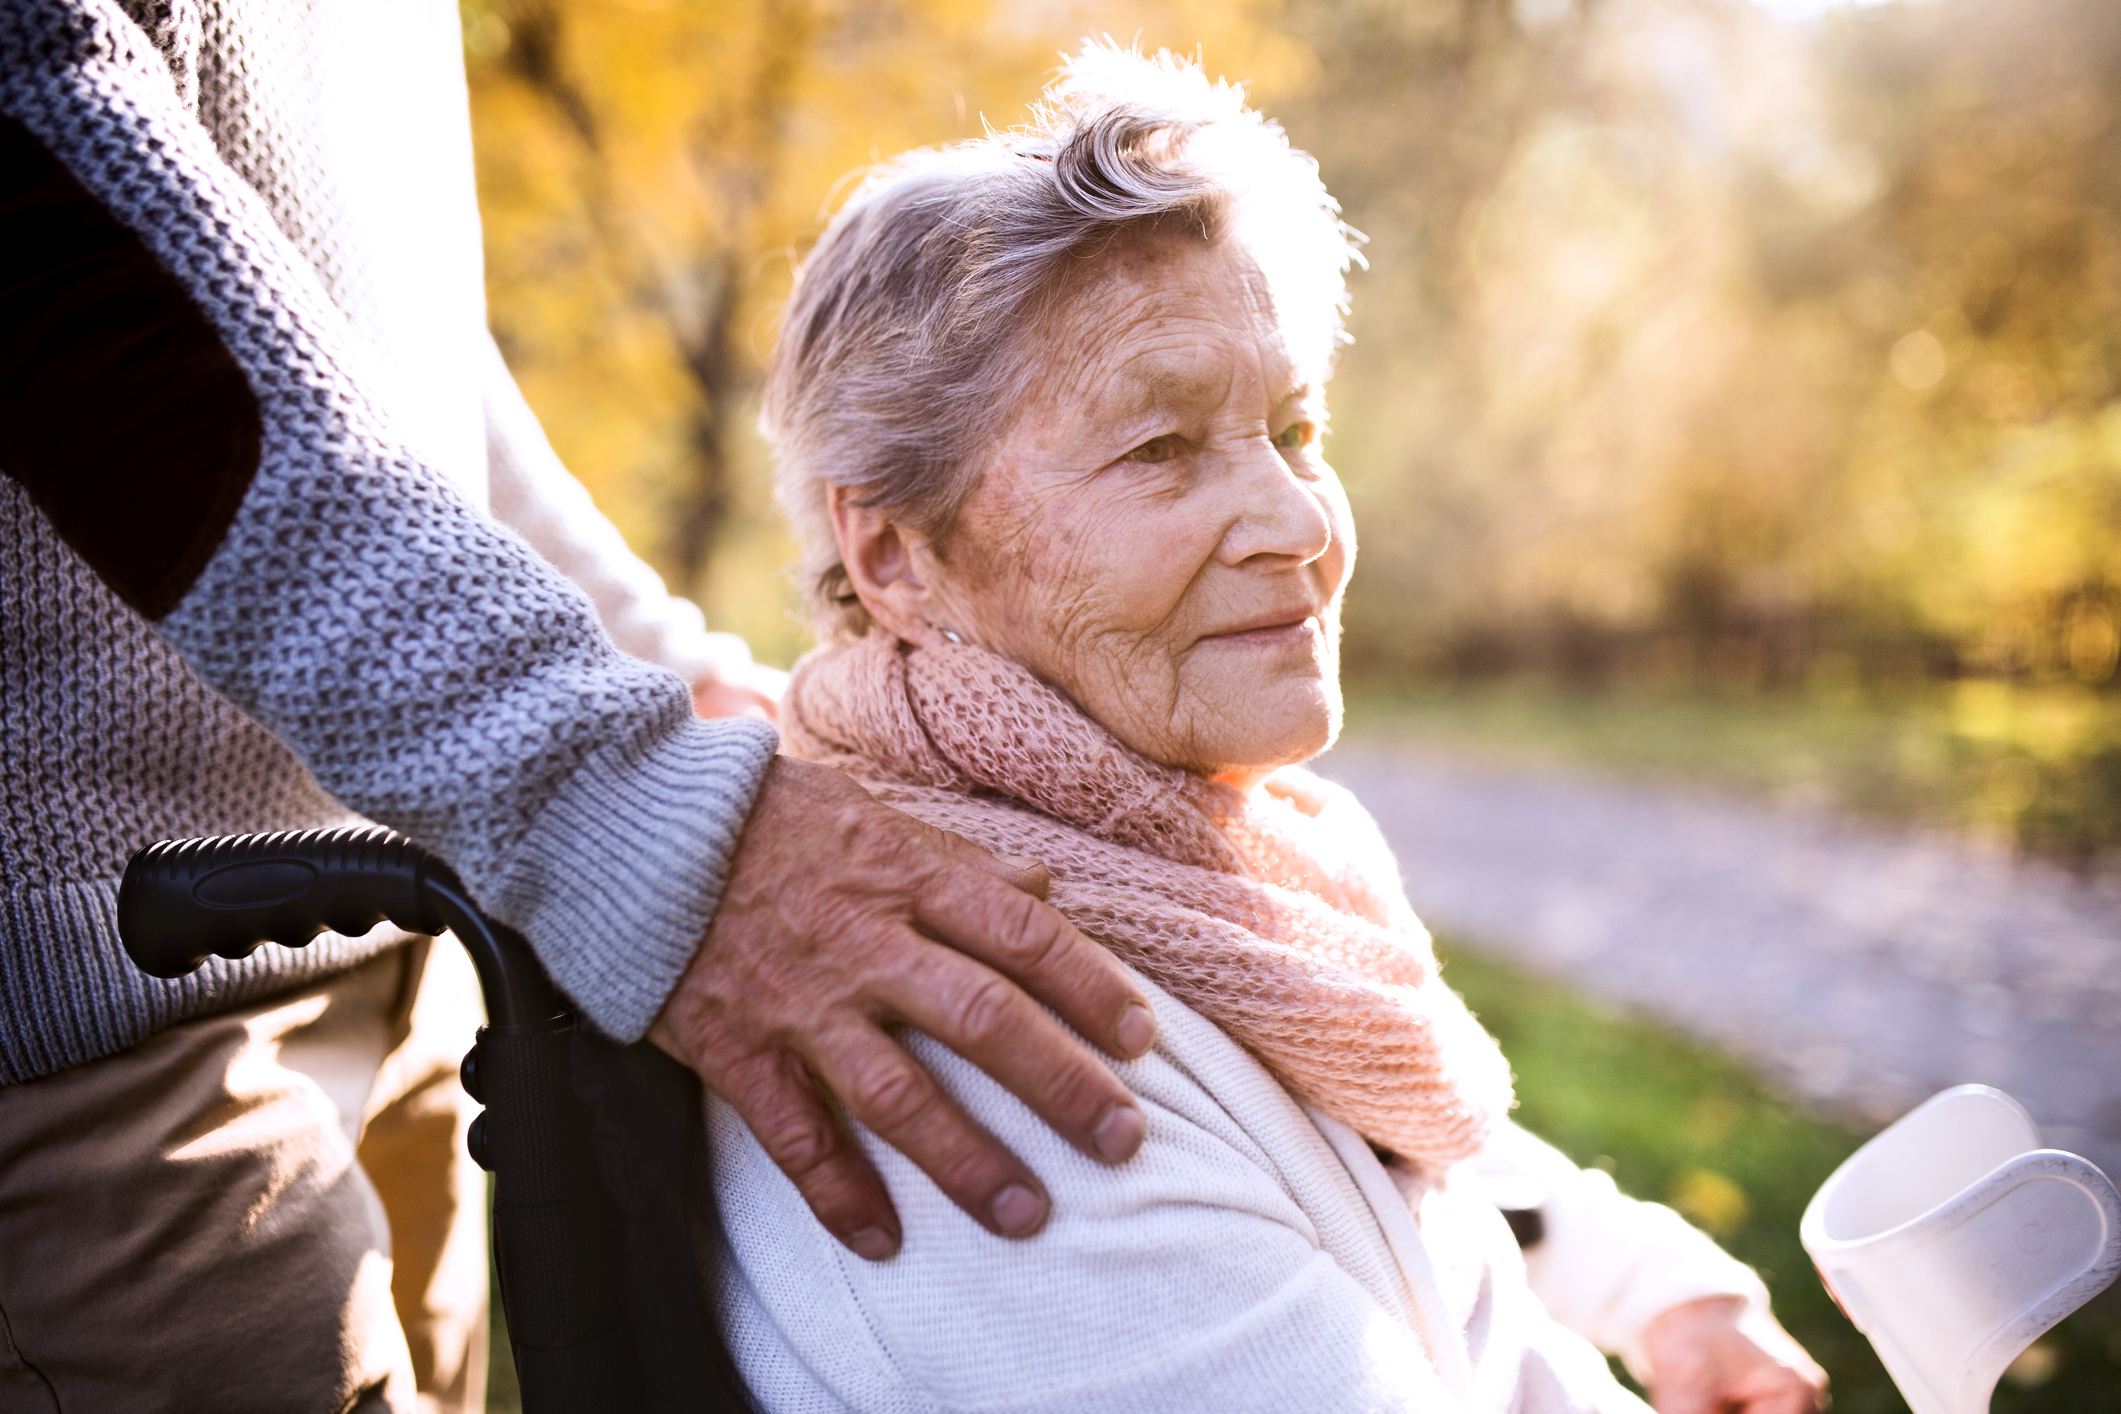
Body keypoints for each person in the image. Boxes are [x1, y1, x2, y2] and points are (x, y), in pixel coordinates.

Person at [0, 2, 1158, 1408]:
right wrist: (599, 792)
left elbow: (362, 332)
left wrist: (669, 676)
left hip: (411, 930)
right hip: (96, 1019)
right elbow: (59, 229)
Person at [711, 44, 1832, 1413]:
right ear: (893, 555)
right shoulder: (977, 1033)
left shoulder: (1187, 866)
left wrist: (1640, 1282)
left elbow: (1392, 1204)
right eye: (1159, 449)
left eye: (1293, 428)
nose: (1300, 527)